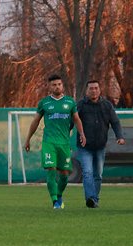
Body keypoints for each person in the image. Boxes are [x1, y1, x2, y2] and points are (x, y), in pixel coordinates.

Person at [24, 75, 86, 209]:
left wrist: (82, 134)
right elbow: (35, 121)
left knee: (64, 175)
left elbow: (76, 119)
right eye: (54, 85)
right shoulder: (44, 103)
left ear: (62, 86)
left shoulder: (70, 102)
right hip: (49, 142)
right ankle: (55, 202)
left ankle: (58, 195)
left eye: (59, 84)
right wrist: (28, 139)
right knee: (51, 169)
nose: (57, 86)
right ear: (49, 86)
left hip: (64, 143)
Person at [75, 80, 125, 208]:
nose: (94, 91)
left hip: (100, 146)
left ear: (99, 90)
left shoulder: (107, 105)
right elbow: (72, 121)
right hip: (84, 147)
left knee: (98, 175)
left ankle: (94, 199)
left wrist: (119, 136)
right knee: (87, 172)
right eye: (91, 88)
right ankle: (90, 198)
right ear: (87, 91)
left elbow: (115, 122)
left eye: (96, 88)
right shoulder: (80, 105)